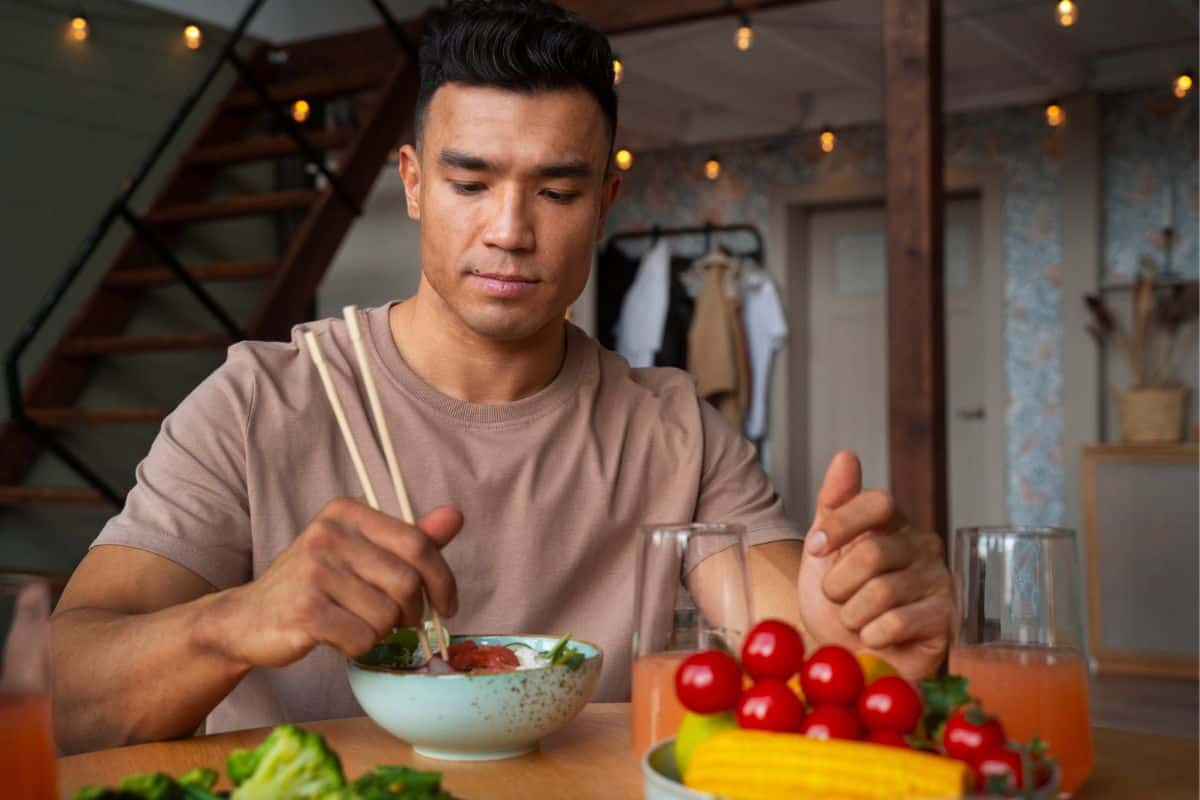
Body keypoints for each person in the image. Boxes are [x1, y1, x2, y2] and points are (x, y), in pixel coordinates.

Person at [50, 0, 953, 755]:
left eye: (557, 192)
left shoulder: (675, 432)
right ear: (413, 183)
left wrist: (864, 626)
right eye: (471, 184)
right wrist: (236, 621)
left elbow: (807, 649)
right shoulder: (258, 402)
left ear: (603, 204)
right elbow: (60, 701)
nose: (511, 231)